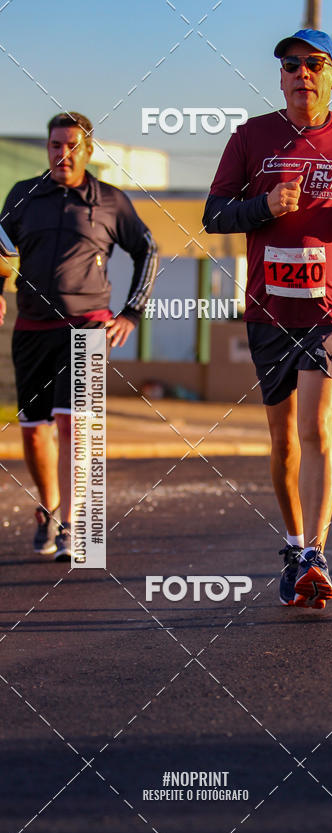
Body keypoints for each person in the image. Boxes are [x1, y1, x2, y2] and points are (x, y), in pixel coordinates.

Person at [204, 29, 332, 608]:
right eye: (291, 64)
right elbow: (215, 213)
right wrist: (262, 206)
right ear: (281, 76)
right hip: (269, 307)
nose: (301, 73)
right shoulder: (251, 137)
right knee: (283, 439)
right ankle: (293, 546)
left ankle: (316, 553)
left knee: (318, 428)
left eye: (315, 64)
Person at [0, 111, 158, 561]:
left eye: (71, 146)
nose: (62, 154)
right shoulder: (23, 195)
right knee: (33, 431)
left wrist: (132, 311)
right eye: (54, 145)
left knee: (74, 424)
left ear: (88, 150)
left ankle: (73, 524)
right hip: (31, 326)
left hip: (87, 324)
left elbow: (146, 248)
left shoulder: (110, 201)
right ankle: (50, 508)